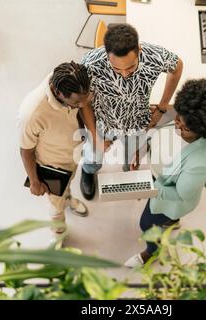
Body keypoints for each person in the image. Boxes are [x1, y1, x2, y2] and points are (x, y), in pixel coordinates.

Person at [124, 79, 206, 268]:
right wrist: (143, 150)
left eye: (184, 128)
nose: (176, 126)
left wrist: (149, 188)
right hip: (160, 180)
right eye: (177, 119)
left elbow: (180, 194)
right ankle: (171, 222)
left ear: (203, 131)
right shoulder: (185, 124)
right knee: (166, 220)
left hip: (168, 197)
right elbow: (160, 138)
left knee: (147, 225)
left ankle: (152, 251)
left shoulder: (200, 164)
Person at [79, 23, 184, 200]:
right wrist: (96, 137)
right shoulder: (89, 64)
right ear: (106, 54)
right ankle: (88, 172)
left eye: (130, 67)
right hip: (103, 121)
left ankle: (129, 173)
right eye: (117, 69)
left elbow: (177, 66)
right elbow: (84, 103)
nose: (125, 74)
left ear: (139, 50)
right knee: (93, 155)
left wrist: (162, 107)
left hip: (139, 121)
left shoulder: (154, 56)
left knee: (134, 157)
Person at [18, 61, 92, 246]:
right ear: (58, 93)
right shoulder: (32, 114)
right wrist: (35, 182)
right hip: (53, 164)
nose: (83, 104)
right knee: (55, 207)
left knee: (68, 185)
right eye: (76, 102)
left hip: (73, 154)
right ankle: (58, 233)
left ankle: (68, 199)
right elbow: (25, 150)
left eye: (85, 97)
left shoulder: (70, 79)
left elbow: (82, 104)